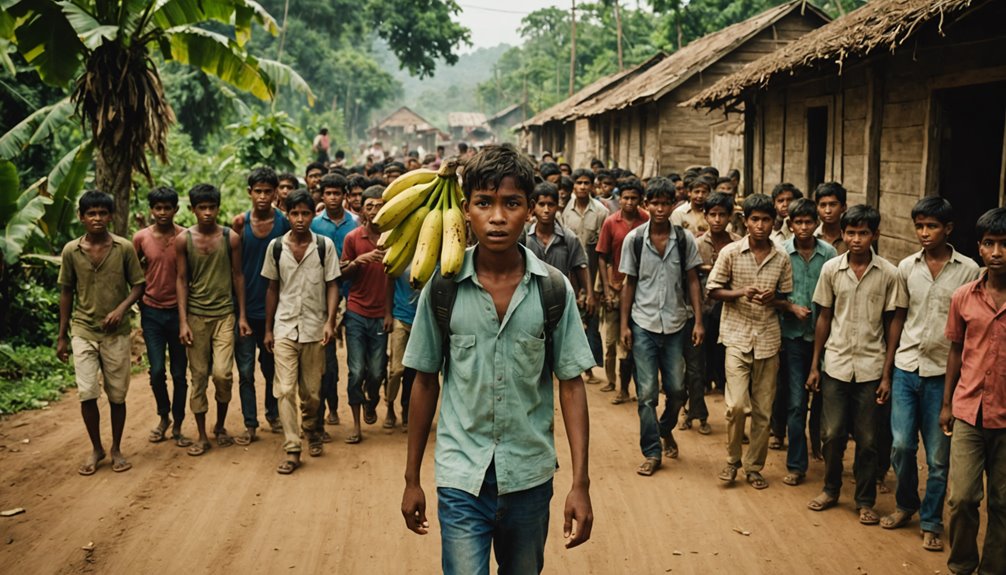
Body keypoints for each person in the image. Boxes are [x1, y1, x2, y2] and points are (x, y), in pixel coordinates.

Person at [400, 143, 594, 573]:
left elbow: (572, 384)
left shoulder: (553, 289)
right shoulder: (443, 287)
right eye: (484, 203)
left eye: (512, 203)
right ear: (465, 210)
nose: (498, 216)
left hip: (528, 476)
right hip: (461, 477)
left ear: (530, 210)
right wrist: (412, 478)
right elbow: (425, 381)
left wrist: (580, 483)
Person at [880, 197, 979, 550]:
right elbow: (898, 318)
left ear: (948, 229)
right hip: (907, 367)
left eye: (932, 226)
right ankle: (907, 504)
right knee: (902, 446)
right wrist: (887, 371)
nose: (924, 233)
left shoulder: (970, 271)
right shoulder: (907, 267)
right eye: (919, 226)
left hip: (944, 374)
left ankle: (932, 520)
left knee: (938, 457)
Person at [805, 204, 900, 524]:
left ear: (875, 234)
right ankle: (831, 488)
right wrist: (815, 365)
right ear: (842, 235)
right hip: (836, 363)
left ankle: (864, 500)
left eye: (863, 233)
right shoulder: (831, 269)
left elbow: (892, 325)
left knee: (869, 438)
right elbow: (824, 318)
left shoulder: (889, 273)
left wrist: (887, 375)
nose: (856, 239)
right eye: (850, 233)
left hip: (872, 367)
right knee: (831, 434)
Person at [707, 194, 794, 490]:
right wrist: (740, 292)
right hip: (736, 335)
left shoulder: (781, 256)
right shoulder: (731, 253)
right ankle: (732, 460)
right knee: (736, 406)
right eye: (754, 219)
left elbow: (786, 298)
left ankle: (753, 466)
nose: (760, 225)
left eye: (766, 220)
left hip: (768, 339)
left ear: (774, 222)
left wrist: (776, 300)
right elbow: (713, 290)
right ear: (745, 222)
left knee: (763, 410)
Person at [619, 177, 703, 475]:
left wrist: (699, 321)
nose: (659, 208)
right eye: (654, 203)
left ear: (673, 205)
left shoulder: (684, 239)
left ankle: (664, 428)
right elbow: (629, 283)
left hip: (677, 324)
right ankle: (652, 452)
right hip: (643, 324)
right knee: (646, 394)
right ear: (646, 204)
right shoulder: (635, 240)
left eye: (665, 203)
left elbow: (693, 279)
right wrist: (624, 326)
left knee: (678, 391)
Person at [58, 191, 145, 475]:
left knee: (117, 395)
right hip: (83, 329)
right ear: (81, 217)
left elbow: (138, 286)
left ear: (111, 216)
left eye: (102, 213)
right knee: (87, 393)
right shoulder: (71, 250)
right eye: (91, 213)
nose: (97, 218)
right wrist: (62, 336)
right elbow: (66, 291)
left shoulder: (124, 248)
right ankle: (96, 447)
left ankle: (117, 448)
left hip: (117, 333)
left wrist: (121, 309)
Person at [941, 207, 1006, 574]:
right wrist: (947, 404)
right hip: (968, 411)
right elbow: (955, 350)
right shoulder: (963, 297)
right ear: (978, 248)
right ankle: (963, 564)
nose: (997, 252)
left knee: (1002, 502)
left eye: (1004, 244)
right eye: (989, 244)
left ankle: (994, 568)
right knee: (963, 497)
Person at [262, 190, 340, 473]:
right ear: (286, 213)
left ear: (312, 215)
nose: (299, 219)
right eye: (294, 213)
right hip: (284, 326)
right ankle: (293, 448)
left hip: (313, 328)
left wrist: (330, 321)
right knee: (284, 390)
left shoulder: (324, 245)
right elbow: (272, 288)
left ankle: (313, 429)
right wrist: (268, 329)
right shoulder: (276, 247)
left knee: (312, 394)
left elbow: (333, 284)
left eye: (305, 213)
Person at [176, 183, 250, 456]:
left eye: (211, 207)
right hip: (196, 316)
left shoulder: (230, 238)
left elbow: (237, 276)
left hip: (224, 315)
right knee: (197, 377)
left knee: (221, 374)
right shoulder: (184, 239)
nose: (207, 213)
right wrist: (183, 322)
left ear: (218, 208)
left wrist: (241, 315)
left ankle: (219, 424)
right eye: (202, 208)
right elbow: (181, 279)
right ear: (193, 209)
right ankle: (202, 434)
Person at [775, 198, 837, 486]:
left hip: (828, 338)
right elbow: (770, 294)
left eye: (808, 222)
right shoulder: (781, 253)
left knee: (825, 402)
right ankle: (797, 464)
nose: (803, 227)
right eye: (797, 222)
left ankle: (824, 453)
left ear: (817, 224)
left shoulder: (830, 254)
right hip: (793, 337)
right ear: (790, 224)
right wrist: (790, 307)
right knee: (797, 402)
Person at [231, 168, 290, 445]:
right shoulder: (239, 224)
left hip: (275, 313)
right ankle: (250, 423)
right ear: (249, 192)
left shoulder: (285, 224)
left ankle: (273, 412)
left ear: (276, 192)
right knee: (244, 371)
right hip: (245, 309)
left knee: (271, 369)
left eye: (268, 191)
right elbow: (237, 272)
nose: (263, 196)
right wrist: (240, 314)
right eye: (258, 191)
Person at [133, 187, 190, 447]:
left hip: (179, 312)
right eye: (158, 208)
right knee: (157, 371)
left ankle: (178, 423)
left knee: (179, 372)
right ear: (151, 210)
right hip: (152, 312)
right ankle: (163, 416)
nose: (163, 213)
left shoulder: (185, 237)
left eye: (168, 208)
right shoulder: (141, 238)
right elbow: (132, 272)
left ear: (176, 209)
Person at [340, 185, 389, 444]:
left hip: (382, 313)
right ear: (362, 210)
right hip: (356, 310)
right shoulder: (352, 238)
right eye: (369, 205)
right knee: (356, 370)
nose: (374, 210)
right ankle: (356, 424)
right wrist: (358, 261)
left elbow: (394, 279)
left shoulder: (393, 237)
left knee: (377, 371)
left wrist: (390, 313)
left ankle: (372, 401)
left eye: (379, 205)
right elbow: (341, 271)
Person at [310, 174, 359, 431]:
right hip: (323, 295)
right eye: (328, 193)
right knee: (327, 357)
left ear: (345, 196)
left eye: (337, 193)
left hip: (353, 294)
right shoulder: (314, 224)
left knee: (355, 357)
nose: (332, 198)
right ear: (322, 196)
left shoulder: (356, 223)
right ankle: (330, 406)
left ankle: (360, 399)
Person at [597, 178, 649, 405]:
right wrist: (607, 289)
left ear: (640, 200)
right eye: (625, 198)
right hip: (615, 285)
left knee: (632, 341)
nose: (628, 202)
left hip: (639, 288)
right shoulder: (611, 222)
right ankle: (612, 381)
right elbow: (602, 256)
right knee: (610, 341)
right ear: (620, 199)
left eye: (633, 198)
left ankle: (629, 388)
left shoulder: (646, 220)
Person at [695, 192, 740, 399]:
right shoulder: (697, 244)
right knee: (702, 349)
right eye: (712, 214)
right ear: (705, 216)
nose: (717, 220)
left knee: (724, 350)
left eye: (722, 215)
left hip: (730, 307)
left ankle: (723, 383)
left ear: (730, 216)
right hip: (703, 305)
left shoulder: (738, 244)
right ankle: (704, 383)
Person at [563, 168, 606, 386]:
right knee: (571, 319)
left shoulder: (600, 211)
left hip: (592, 273)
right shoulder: (564, 211)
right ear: (573, 186)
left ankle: (589, 368)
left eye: (586, 183)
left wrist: (597, 286)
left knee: (591, 319)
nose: (582, 186)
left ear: (592, 186)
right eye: (578, 182)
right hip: (570, 273)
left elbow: (601, 250)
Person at [525, 182, 591, 304]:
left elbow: (580, 267)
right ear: (533, 207)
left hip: (561, 300)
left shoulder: (568, 238)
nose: (546, 210)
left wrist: (588, 294)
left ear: (557, 206)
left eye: (551, 205)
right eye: (541, 204)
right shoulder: (525, 237)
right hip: (530, 299)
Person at [384, 268, 418, 431]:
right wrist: (387, 314)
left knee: (412, 373)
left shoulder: (434, 255)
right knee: (397, 370)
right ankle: (389, 405)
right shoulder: (401, 254)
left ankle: (406, 410)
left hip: (420, 320)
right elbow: (389, 282)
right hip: (400, 317)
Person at [814, 182, 848, 254]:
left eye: (833, 205)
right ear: (817, 208)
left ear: (844, 207)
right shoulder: (811, 236)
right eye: (823, 205)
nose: (827, 211)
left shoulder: (851, 238)